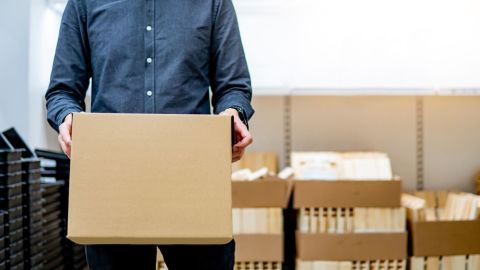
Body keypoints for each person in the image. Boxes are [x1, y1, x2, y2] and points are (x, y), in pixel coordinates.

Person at [45, 0, 254, 269]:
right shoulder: (85, 4)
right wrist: (67, 117)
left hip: (193, 183)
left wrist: (233, 113)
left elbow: (233, 86)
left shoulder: (213, 3)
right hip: (112, 185)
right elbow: (62, 91)